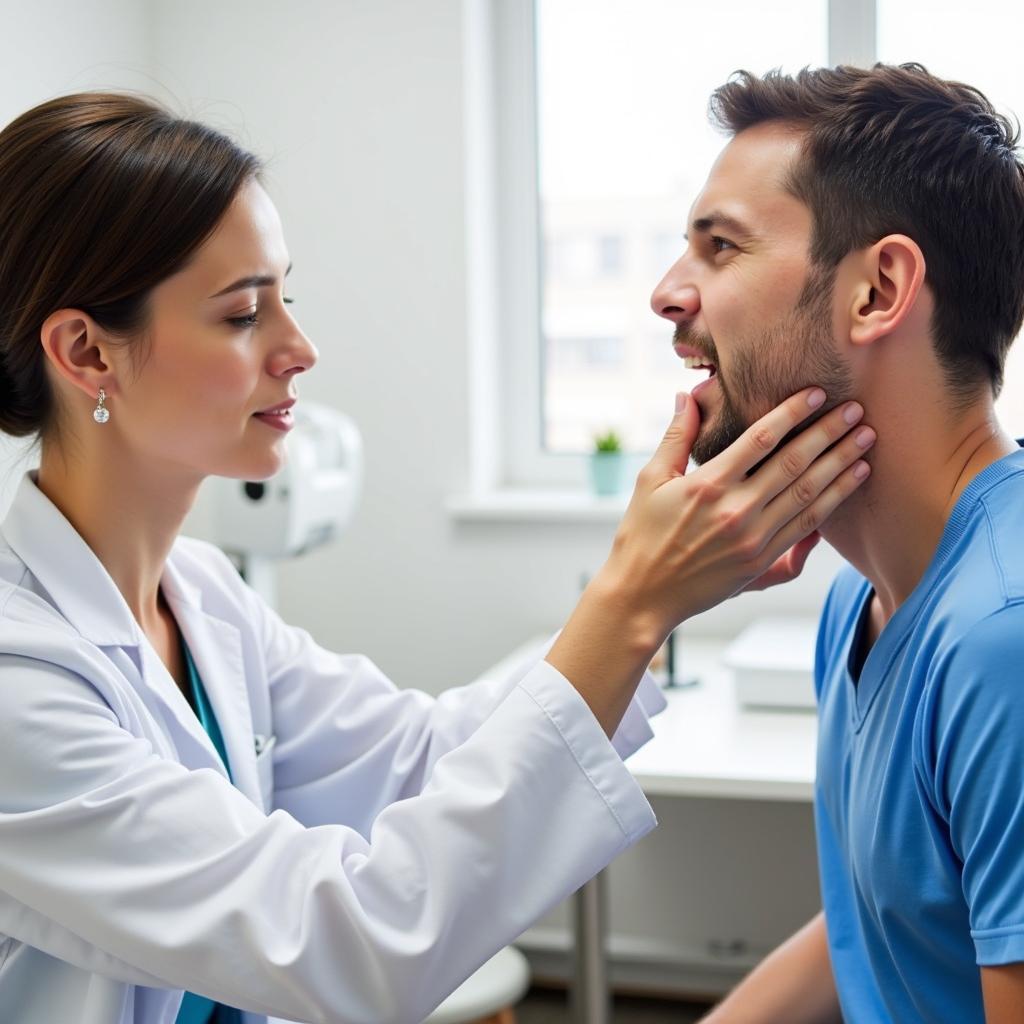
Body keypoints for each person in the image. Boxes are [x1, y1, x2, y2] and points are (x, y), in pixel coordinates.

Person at [0, 93, 872, 1024]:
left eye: (286, 297)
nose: (300, 349)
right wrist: (635, 600)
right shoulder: (21, 679)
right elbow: (347, 948)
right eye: (243, 315)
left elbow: (420, 757)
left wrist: (664, 585)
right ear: (87, 351)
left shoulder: (199, 599)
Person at [648, 64, 1024, 1023]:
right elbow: (884, 919)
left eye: (720, 248)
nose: (667, 294)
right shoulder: (861, 600)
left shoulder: (1003, 643)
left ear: (878, 290)